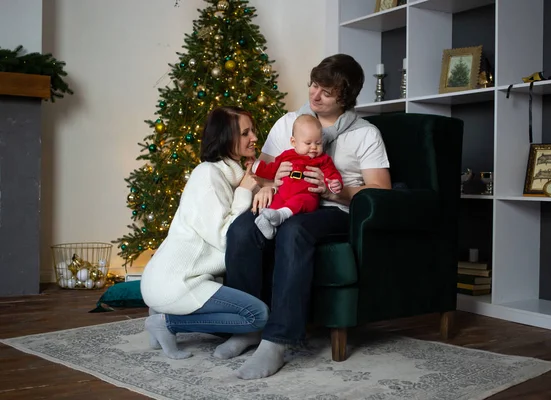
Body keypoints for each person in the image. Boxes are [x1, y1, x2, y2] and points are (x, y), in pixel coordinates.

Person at [223, 53, 392, 380]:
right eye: (313, 85)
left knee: (295, 230)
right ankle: (247, 327)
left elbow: (380, 191)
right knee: (242, 229)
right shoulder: (288, 123)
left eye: (326, 92)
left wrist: (335, 192)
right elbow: (263, 170)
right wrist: (266, 186)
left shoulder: (365, 134)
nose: (314, 95)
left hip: (335, 212)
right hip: (285, 201)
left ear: (346, 96)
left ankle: (277, 340)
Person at [141, 106, 270, 360]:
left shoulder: (227, 175)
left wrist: (256, 186)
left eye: (252, 130)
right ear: (226, 139)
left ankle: (164, 315)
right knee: (258, 315)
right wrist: (245, 191)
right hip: (178, 281)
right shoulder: (208, 175)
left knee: (247, 314)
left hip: (184, 279)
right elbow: (226, 241)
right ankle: (168, 323)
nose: (254, 137)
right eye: (245, 133)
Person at [250, 114, 343, 239]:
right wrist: (257, 166)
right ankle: (267, 224)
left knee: (301, 201)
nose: (314, 147)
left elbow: (332, 174)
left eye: (318, 143)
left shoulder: (323, 160)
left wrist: (334, 183)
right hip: (283, 194)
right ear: (294, 142)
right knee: (274, 202)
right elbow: (272, 169)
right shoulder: (286, 156)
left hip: (307, 195)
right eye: (308, 143)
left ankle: (281, 215)